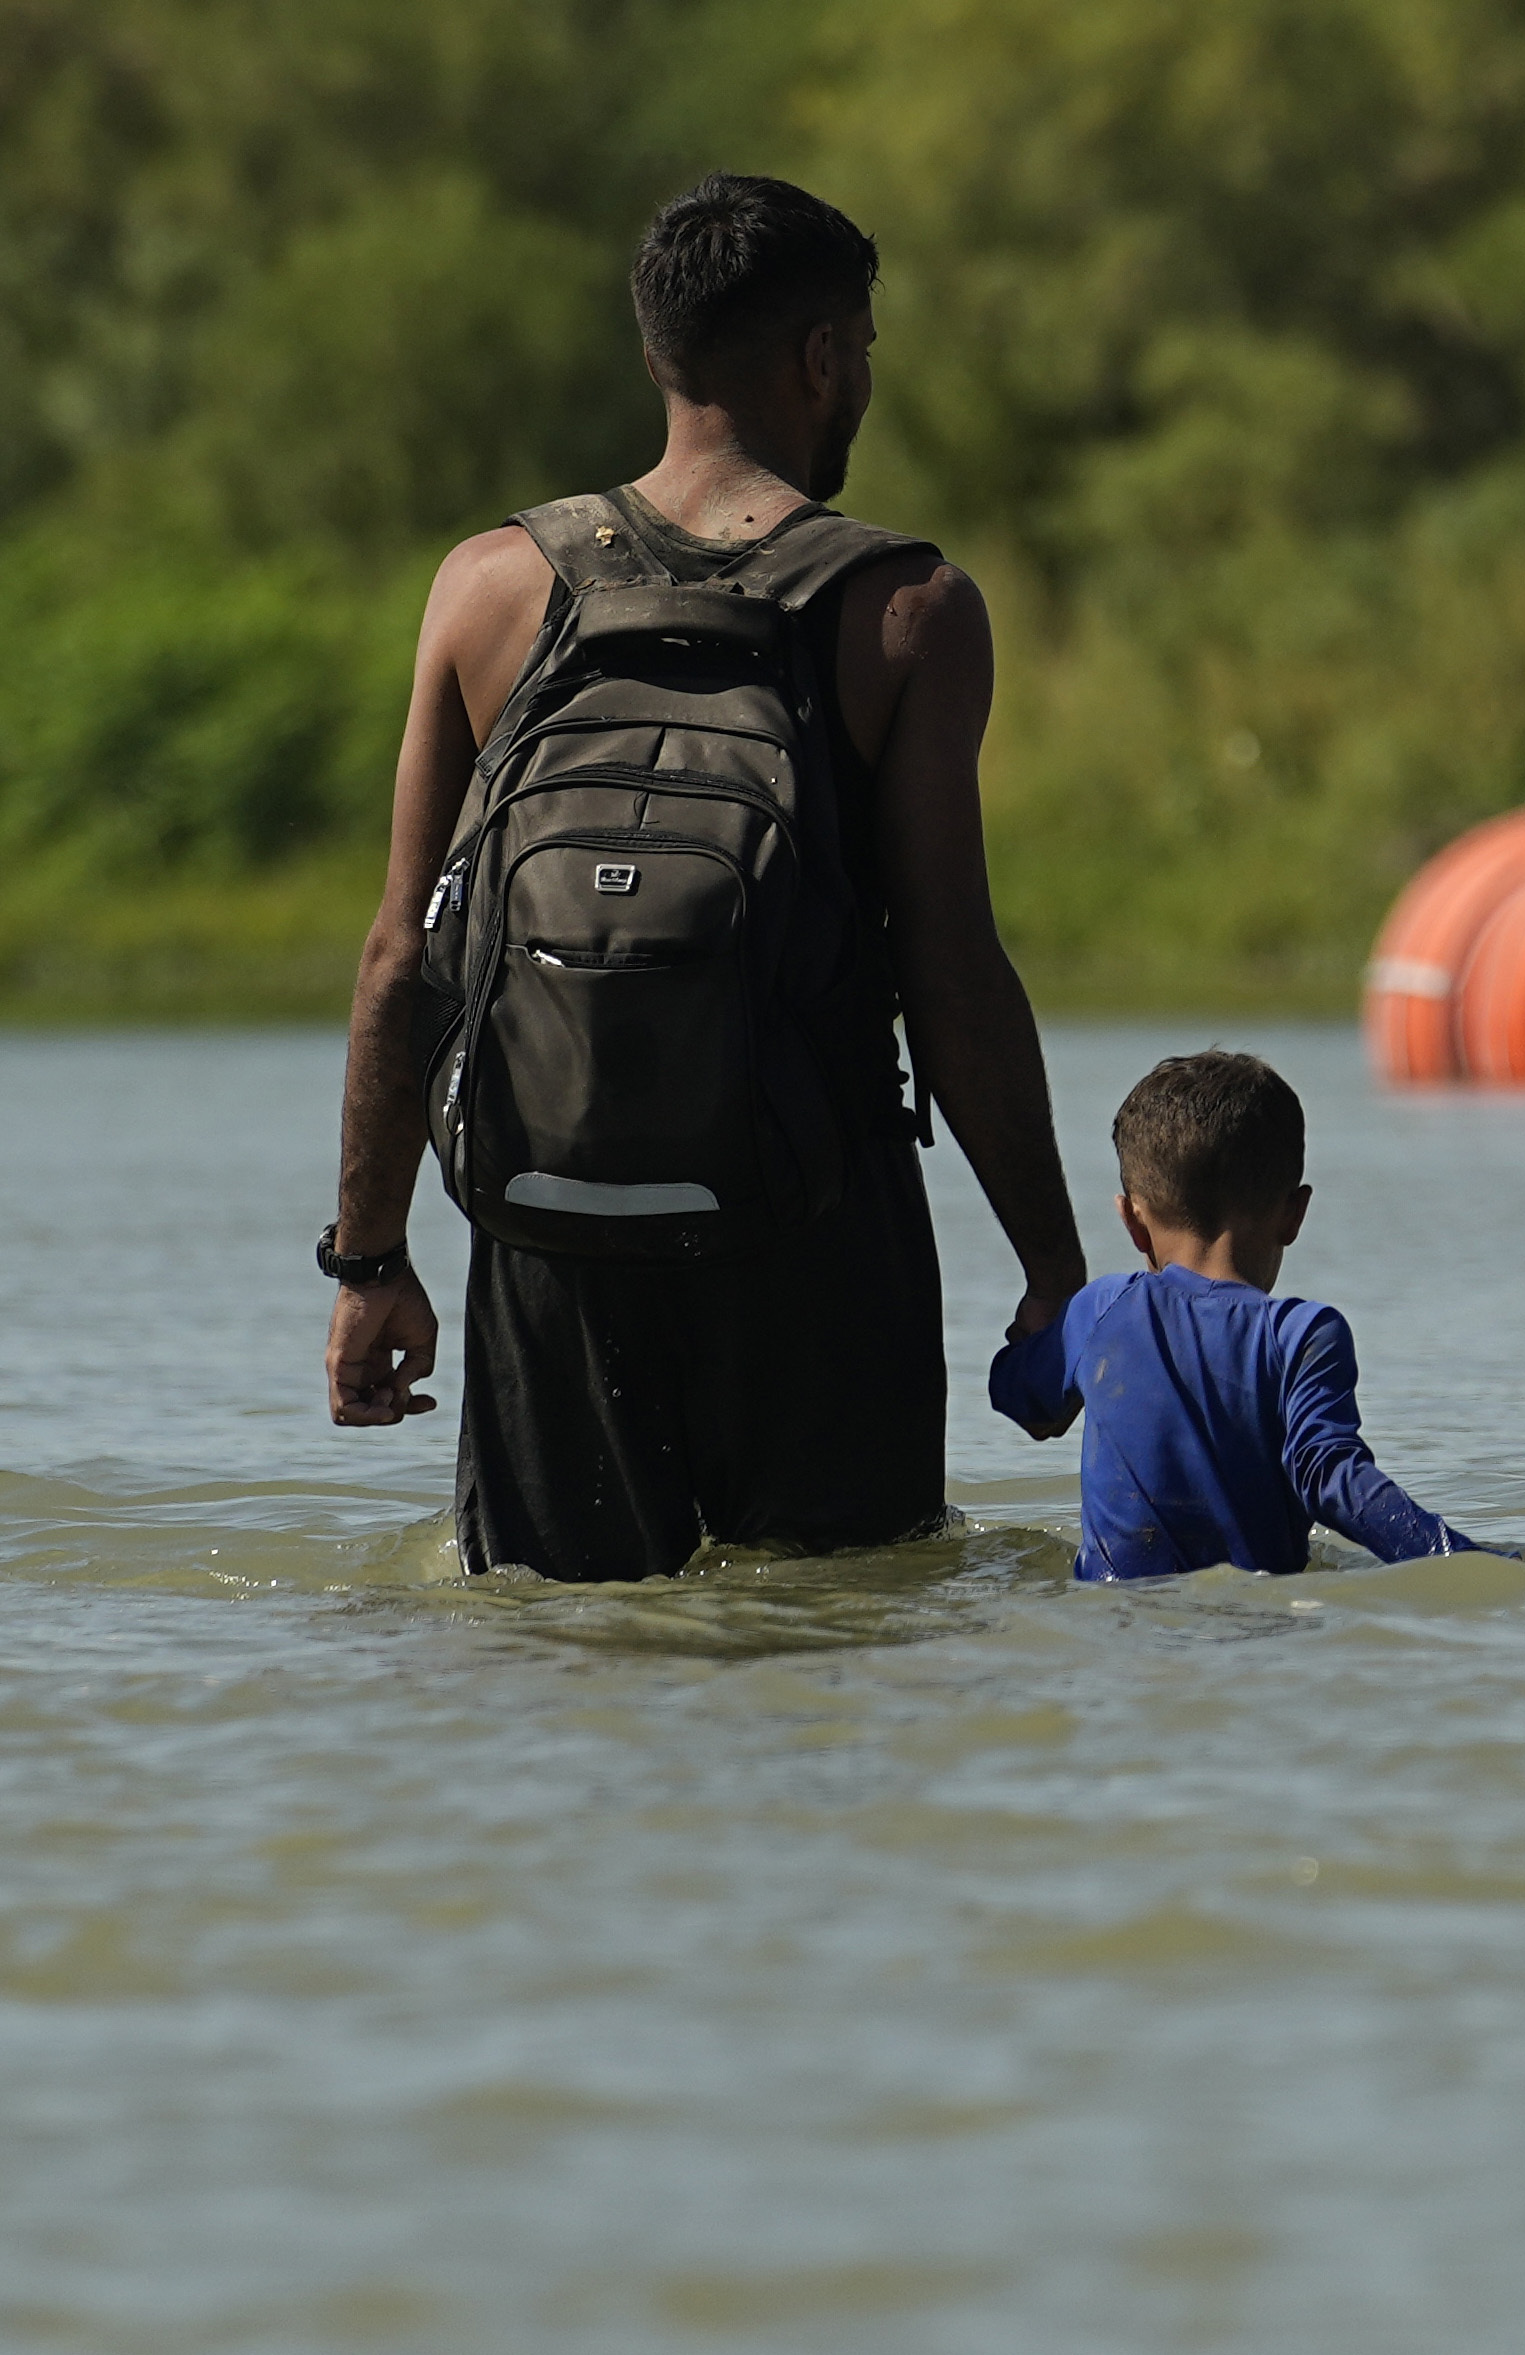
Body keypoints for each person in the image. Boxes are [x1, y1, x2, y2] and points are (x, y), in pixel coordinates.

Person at [319, 173, 1090, 1580]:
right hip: (813, 1230)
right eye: (861, 348)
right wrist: (1053, 1269)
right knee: (839, 1622)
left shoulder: (488, 584)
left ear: (656, 351)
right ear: (822, 355)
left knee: (562, 1644)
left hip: (549, 1233)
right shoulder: (907, 608)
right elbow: (951, 970)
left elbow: (399, 957)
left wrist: (369, 1262)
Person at [988, 1052, 1481, 1581]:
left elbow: (1020, 1400)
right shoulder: (1303, 1335)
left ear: (1133, 1220)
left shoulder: (1100, 1310)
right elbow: (1328, 1475)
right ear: (1294, 1214)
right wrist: (1465, 1563)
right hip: (1260, 1628)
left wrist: (1033, 1333)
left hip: (1121, 1627)